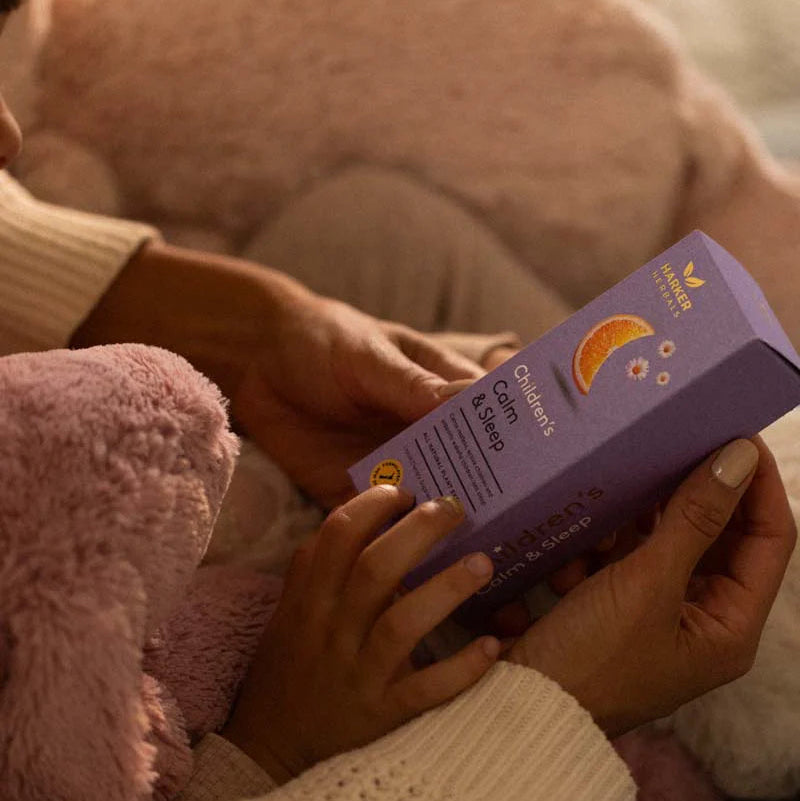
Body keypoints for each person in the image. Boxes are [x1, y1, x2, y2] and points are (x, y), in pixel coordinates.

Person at [0, 4, 796, 800]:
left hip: (313, 501)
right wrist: (279, 746)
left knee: (368, 231)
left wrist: (267, 326)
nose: (9, 137)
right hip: (297, 705)